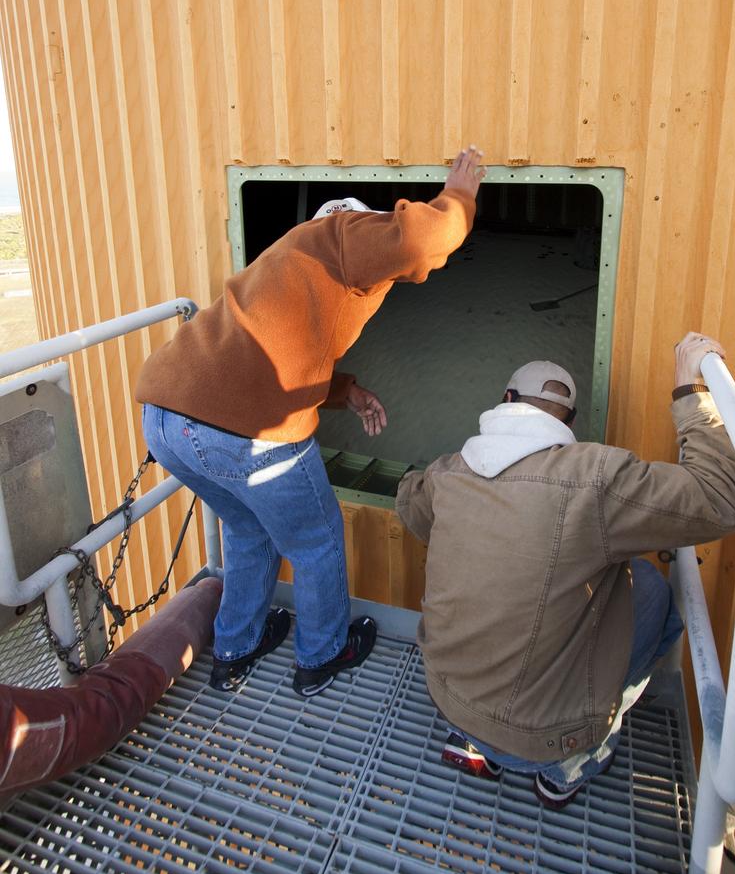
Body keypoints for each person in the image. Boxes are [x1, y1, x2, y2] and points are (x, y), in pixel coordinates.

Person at [136, 147, 486, 696]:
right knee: (316, 541)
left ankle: (236, 647)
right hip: (246, 437)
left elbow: (281, 348)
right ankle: (321, 655)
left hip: (165, 420)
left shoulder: (287, 258)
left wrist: (345, 392)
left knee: (249, 529)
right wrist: (459, 194)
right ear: (349, 220)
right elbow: (424, 239)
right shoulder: (344, 234)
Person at [395, 332, 735, 808]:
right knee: (649, 590)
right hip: (541, 740)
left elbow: (409, 503)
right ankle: (569, 763)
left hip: (448, 703)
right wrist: (689, 389)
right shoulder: (595, 476)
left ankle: (480, 745)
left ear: (506, 401)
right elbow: (723, 497)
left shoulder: (448, 472)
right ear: (571, 421)